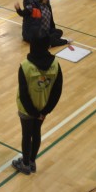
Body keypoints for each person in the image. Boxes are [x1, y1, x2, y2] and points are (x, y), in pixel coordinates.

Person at [11, 40, 63, 175]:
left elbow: (23, 94)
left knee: (26, 135)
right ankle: (32, 161)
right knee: (36, 132)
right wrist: (45, 111)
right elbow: (57, 91)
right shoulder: (55, 64)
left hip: (26, 109)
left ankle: (25, 164)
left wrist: (33, 112)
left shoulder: (25, 66)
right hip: (43, 107)